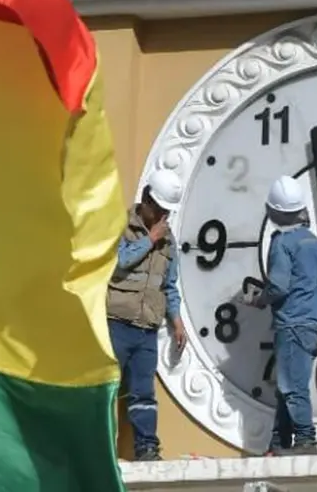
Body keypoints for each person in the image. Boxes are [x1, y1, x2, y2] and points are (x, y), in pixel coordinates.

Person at [107, 169, 187, 462]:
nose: (164, 217)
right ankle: (100, 445)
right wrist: (149, 239)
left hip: (147, 328)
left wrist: (176, 320)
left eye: (167, 212)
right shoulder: (121, 226)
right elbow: (118, 262)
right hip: (117, 322)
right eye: (161, 210)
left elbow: (169, 285)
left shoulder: (169, 242)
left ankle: (147, 447)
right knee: (108, 388)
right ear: (146, 201)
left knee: (143, 391)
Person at [248, 175, 317, 456]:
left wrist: (260, 300)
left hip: (294, 321)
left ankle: (305, 440)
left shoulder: (282, 242)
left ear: (275, 212)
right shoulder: (313, 242)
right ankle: (279, 442)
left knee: (292, 385)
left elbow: (279, 286)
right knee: (288, 382)